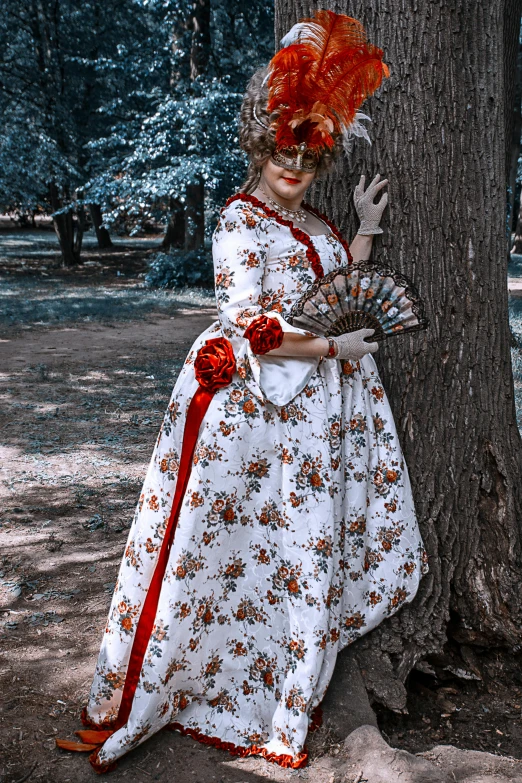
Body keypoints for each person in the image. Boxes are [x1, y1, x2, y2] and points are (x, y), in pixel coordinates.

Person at [57, 9, 429, 773]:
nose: (294, 168)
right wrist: (335, 344)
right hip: (255, 410)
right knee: (236, 545)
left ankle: (291, 692)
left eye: (311, 156)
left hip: (321, 410)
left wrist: (362, 230)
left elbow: (335, 278)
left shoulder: (317, 222)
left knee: (308, 546)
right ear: (260, 145)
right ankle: (201, 684)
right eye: (282, 153)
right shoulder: (238, 222)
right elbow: (252, 325)